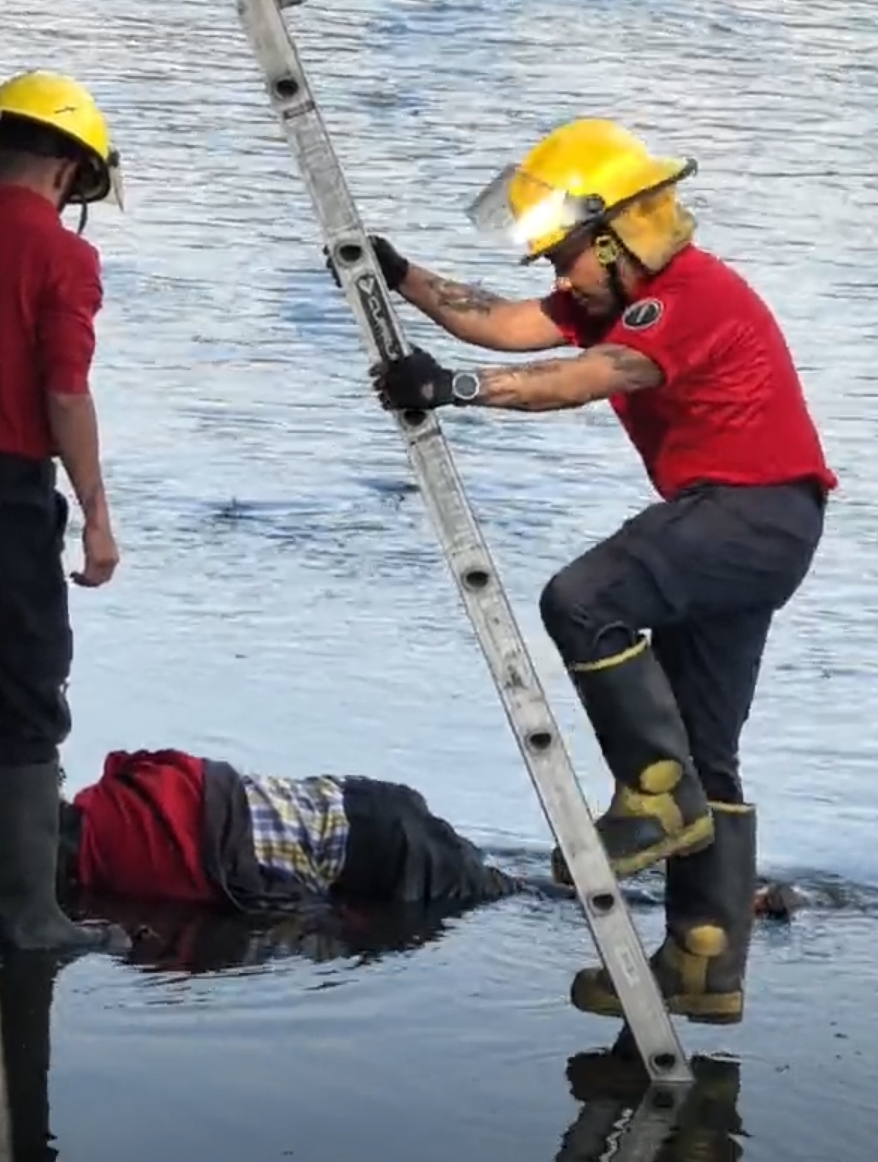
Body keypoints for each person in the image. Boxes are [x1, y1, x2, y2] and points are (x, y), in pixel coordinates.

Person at [339, 117, 835, 1024]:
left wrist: (451, 389)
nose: (556, 276)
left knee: (582, 599)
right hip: (763, 526)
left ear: (617, 236)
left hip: (745, 512)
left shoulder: (685, 295)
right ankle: (703, 962)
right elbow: (504, 324)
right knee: (706, 748)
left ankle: (652, 800)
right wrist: (399, 273)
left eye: (566, 255)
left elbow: (583, 376)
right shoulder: (613, 293)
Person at [0, 70, 128, 955]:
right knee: (26, 700)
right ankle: (26, 920)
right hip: (5, 488)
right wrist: (96, 512)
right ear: (66, 169)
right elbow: (65, 392)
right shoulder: (63, 256)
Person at [56, 748, 518, 911]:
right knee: (508, 885)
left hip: (379, 858)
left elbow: (250, 895)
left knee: (516, 894)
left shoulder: (119, 867)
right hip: (351, 799)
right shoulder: (120, 787)